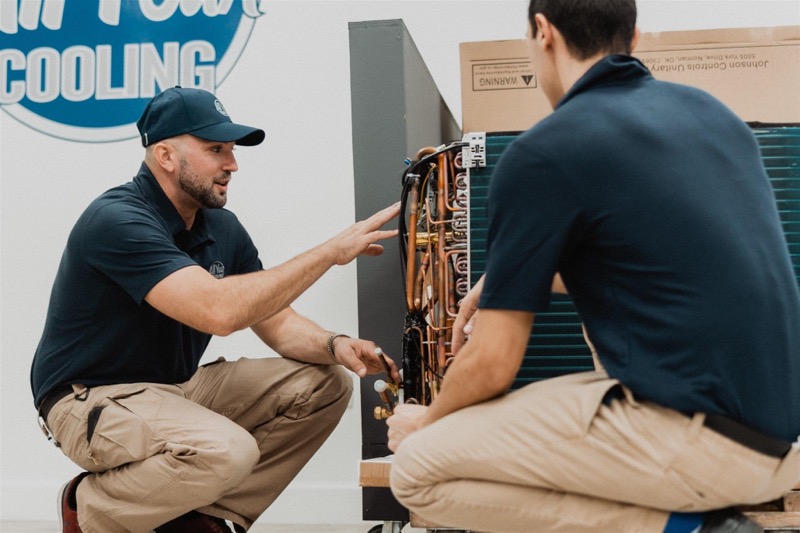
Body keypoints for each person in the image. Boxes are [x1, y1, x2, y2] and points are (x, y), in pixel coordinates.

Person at [386, 1, 800, 532]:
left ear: (543, 32)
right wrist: (508, 278)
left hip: (702, 444)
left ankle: (694, 529)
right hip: (777, 438)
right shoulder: (713, 116)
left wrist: (426, 422)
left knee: (418, 470)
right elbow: (654, 262)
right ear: (635, 37)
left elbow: (492, 364)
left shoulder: (546, 151)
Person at [31, 86, 401, 533]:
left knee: (323, 384)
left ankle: (208, 520)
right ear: (166, 155)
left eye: (231, 150)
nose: (232, 164)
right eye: (215, 149)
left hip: (173, 388)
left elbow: (277, 322)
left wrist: (334, 344)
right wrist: (329, 252)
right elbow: (218, 313)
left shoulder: (220, 227)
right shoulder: (117, 220)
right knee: (227, 450)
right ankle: (88, 506)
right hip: (89, 400)